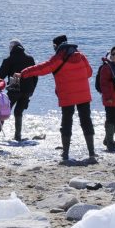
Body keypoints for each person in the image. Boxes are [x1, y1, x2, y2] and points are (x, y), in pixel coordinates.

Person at [21, 35, 96, 165]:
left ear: (56, 46)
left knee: (67, 122)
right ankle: (91, 153)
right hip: (84, 95)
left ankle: (66, 154)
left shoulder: (59, 58)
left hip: (67, 95)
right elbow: (89, 73)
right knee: (86, 121)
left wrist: (23, 73)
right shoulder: (81, 56)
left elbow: (42, 68)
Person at [0, 40, 37, 143]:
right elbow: (35, 75)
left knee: (4, 112)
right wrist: (32, 89)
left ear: (11, 48)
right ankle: (18, 136)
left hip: (14, 90)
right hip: (28, 90)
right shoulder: (30, 58)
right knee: (18, 112)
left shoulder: (9, 60)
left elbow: (0, 75)